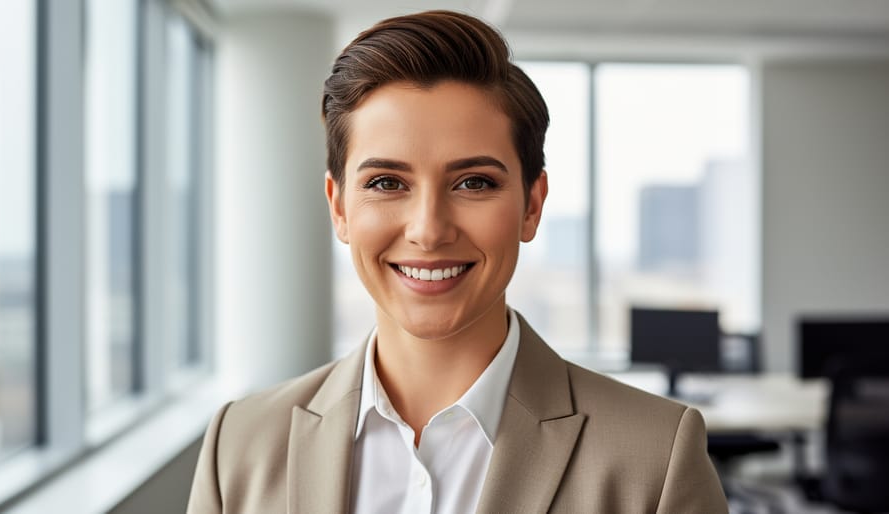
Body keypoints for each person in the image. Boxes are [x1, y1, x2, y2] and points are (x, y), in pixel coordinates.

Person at [187, 10, 728, 514]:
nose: (428, 229)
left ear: (532, 206)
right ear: (339, 207)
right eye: (386, 183)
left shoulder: (655, 458)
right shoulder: (239, 446)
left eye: (474, 182)